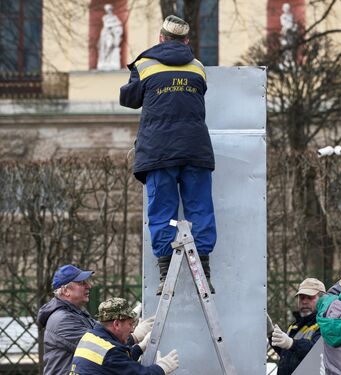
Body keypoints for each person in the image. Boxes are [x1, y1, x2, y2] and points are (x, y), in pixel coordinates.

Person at [120, 15, 216, 295]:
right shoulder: (198, 68)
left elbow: (129, 99)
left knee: (163, 210)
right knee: (199, 209)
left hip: (158, 151)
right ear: (187, 41)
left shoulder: (145, 64)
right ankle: (204, 272)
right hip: (196, 149)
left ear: (161, 38)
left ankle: (165, 272)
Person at [37, 265, 155, 375]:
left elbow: (105, 331)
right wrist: (134, 337)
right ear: (65, 290)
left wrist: (126, 319)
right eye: (81, 283)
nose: (88, 286)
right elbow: (99, 346)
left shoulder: (77, 312)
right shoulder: (61, 320)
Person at [69, 297, 179, 375]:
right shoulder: (110, 353)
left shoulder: (90, 337)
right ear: (116, 324)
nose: (132, 329)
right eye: (130, 324)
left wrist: (140, 348)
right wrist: (161, 368)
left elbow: (119, 365)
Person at [270, 277, 326, 375]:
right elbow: (288, 355)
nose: (304, 301)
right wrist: (271, 334)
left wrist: (291, 343)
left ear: (322, 299)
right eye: (301, 297)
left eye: (310, 297)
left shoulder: (326, 325)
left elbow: (315, 352)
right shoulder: (295, 326)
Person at [97, 3, 123, 70]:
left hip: (112, 34)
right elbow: (106, 25)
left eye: (110, 9)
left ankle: (108, 59)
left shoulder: (114, 17)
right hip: (106, 34)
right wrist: (114, 24)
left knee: (111, 46)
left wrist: (113, 25)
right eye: (108, 10)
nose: (109, 11)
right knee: (106, 47)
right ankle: (105, 59)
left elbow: (119, 23)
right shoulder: (105, 17)